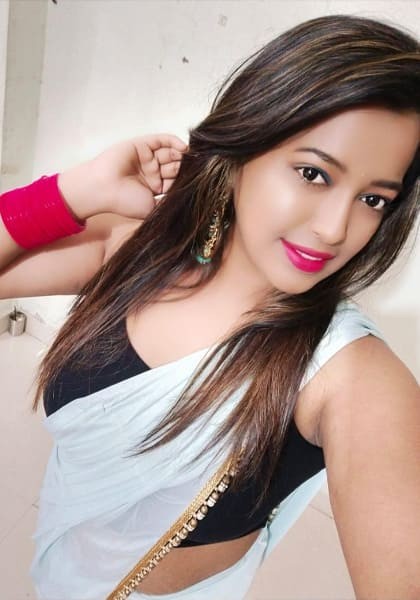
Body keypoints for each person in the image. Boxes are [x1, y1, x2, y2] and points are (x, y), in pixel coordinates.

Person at [1, 13, 419, 600]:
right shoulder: (140, 248)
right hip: (59, 563)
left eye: (374, 199)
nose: (335, 229)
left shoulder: (350, 376)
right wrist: (72, 192)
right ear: (243, 147)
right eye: (313, 173)